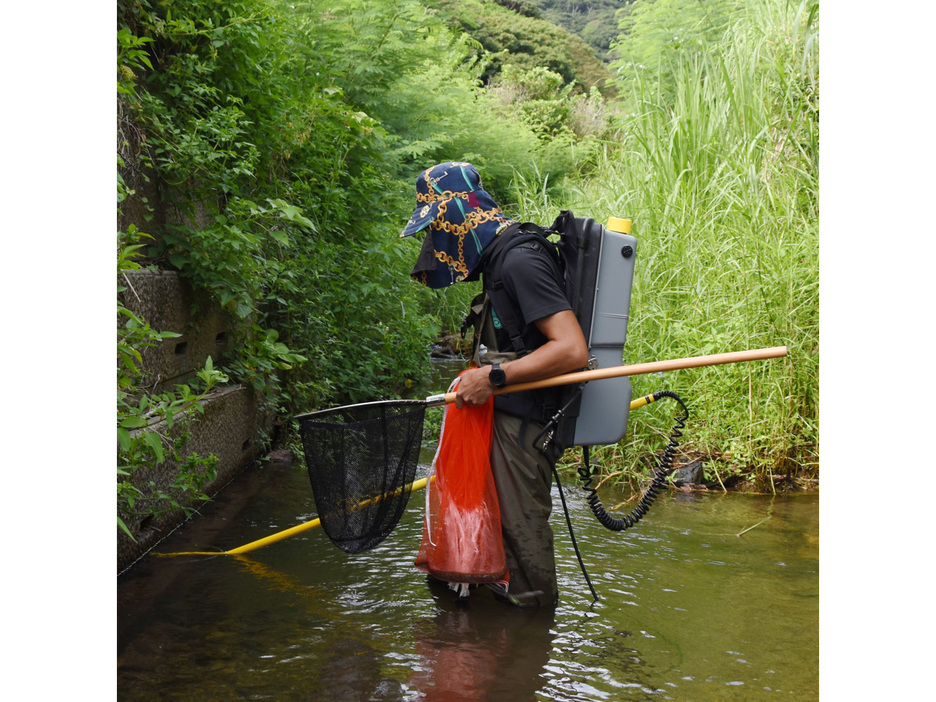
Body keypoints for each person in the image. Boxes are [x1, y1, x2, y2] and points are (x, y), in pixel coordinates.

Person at [401, 161, 588, 607]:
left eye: (438, 223)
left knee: (522, 551)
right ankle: (495, 647)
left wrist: (493, 377)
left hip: (527, 428)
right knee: (498, 541)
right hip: (508, 418)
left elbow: (570, 350)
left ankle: (530, 642)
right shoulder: (499, 260)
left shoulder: (520, 260)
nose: (436, 238)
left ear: (461, 214)